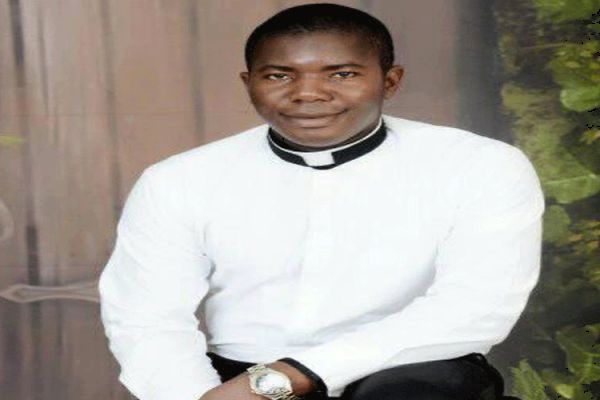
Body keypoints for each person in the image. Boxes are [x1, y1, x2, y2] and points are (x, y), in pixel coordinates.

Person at [98, 3, 545, 400]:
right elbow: (147, 318)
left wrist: (290, 376)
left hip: (410, 372)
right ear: (248, 83)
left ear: (390, 82)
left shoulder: (480, 166)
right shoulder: (178, 180)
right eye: (279, 75)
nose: (307, 94)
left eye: (342, 74)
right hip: (238, 377)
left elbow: (473, 307)